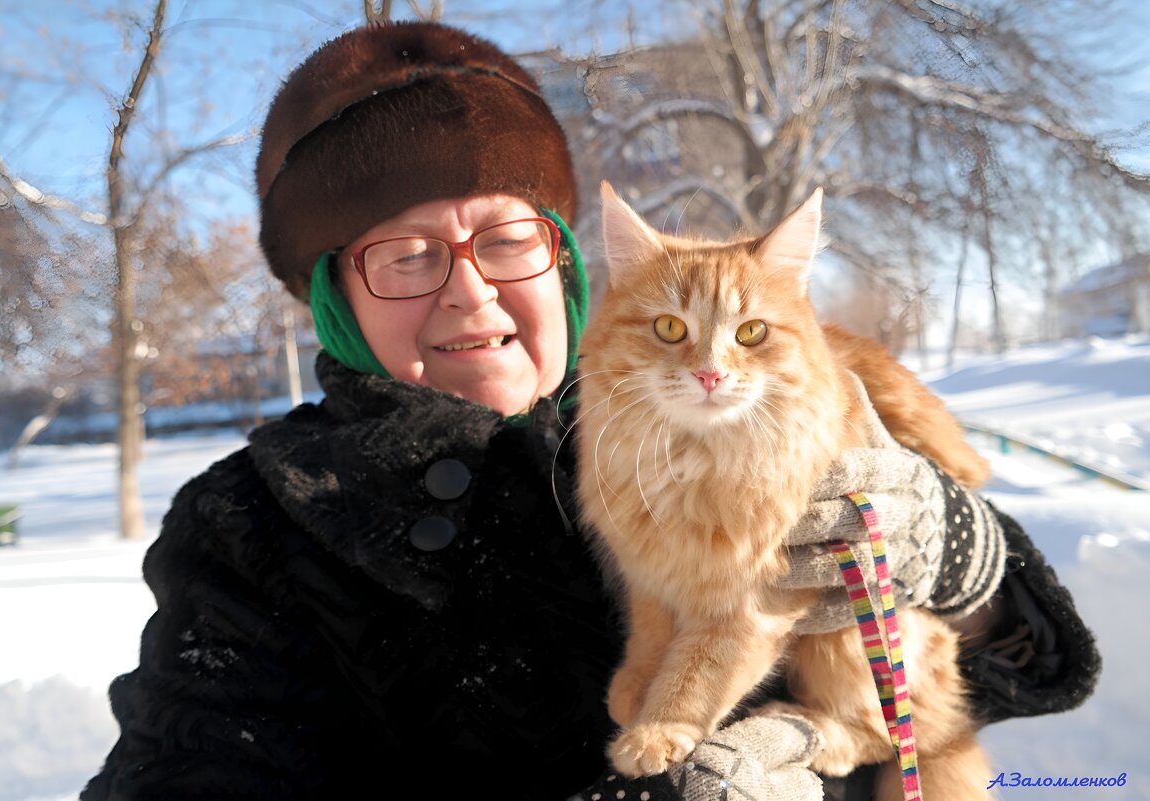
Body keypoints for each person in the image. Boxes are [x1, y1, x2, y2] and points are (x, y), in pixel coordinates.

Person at [80, 20, 1100, 801]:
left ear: (565, 262)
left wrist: (958, 562)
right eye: (403, 254)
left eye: (506, 240)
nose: (468, 293)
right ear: (334, 301)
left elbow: (1015, 676)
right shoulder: (255, 526)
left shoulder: (750, 390)